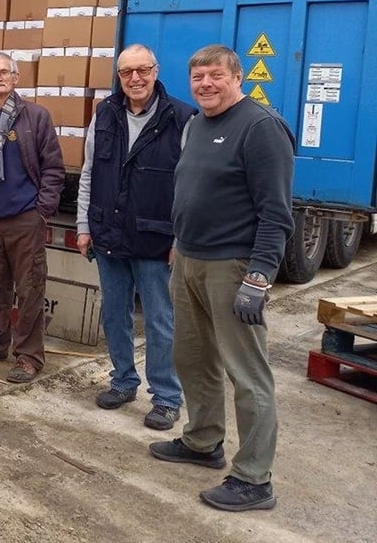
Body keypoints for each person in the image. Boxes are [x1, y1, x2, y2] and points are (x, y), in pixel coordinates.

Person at [149, 44, 294, 512]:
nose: (206, 84)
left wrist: (259, 276)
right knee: (193, 358)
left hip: (233, 266)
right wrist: (179, 241)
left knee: (247, 373)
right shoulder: (196, 124)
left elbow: (276, 213)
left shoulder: (260, 127)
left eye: (215, 75)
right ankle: (202, 440)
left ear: (237, 77)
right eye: (198, 77)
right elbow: (190, 189)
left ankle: (254, 479)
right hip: (189, 258)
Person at [76, 44, 195, 430]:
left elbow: (189, 187)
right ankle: (123, 381)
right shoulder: (105, 113)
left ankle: (166, 398)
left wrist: (179, 239)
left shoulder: (181, 117)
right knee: (114, 314)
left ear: (156, 71)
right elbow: (89, 172)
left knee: (160, 321)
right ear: (119, 76)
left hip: (155, 239)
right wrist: (83, 226)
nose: (135, 78)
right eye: (127, 72)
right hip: (108, 234)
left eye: (142, 70)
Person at [0, 51, 64, 383]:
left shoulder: (36, 117)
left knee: (30, 288)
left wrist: (42, 211)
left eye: (5, 72)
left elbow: (53, 168)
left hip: (24, 217)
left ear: (16, 78)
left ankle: (28, 356)